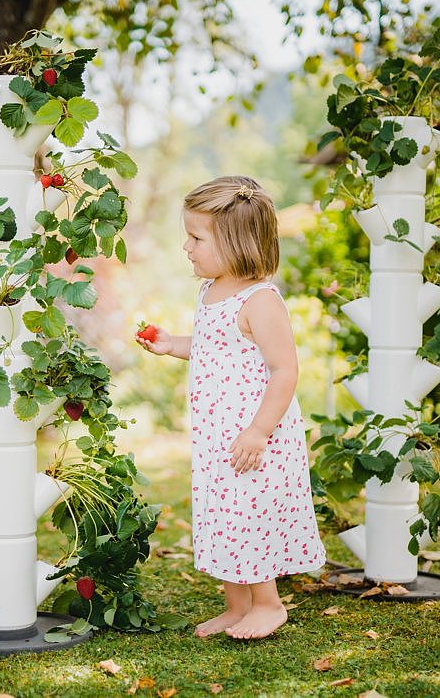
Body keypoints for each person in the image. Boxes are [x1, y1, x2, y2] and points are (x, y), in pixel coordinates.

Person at [137, 175, 325, 640]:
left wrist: (259, 431)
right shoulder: (211, 292)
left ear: (236, 242)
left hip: (255, 436)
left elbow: (285, 371)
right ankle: (236, 606)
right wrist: (170, 344)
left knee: (251, 513)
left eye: (196, 237)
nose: (186, 246)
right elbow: (210, 347)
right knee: (223, 514)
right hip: (217, 436)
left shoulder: (260, 300)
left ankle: (268, 604)